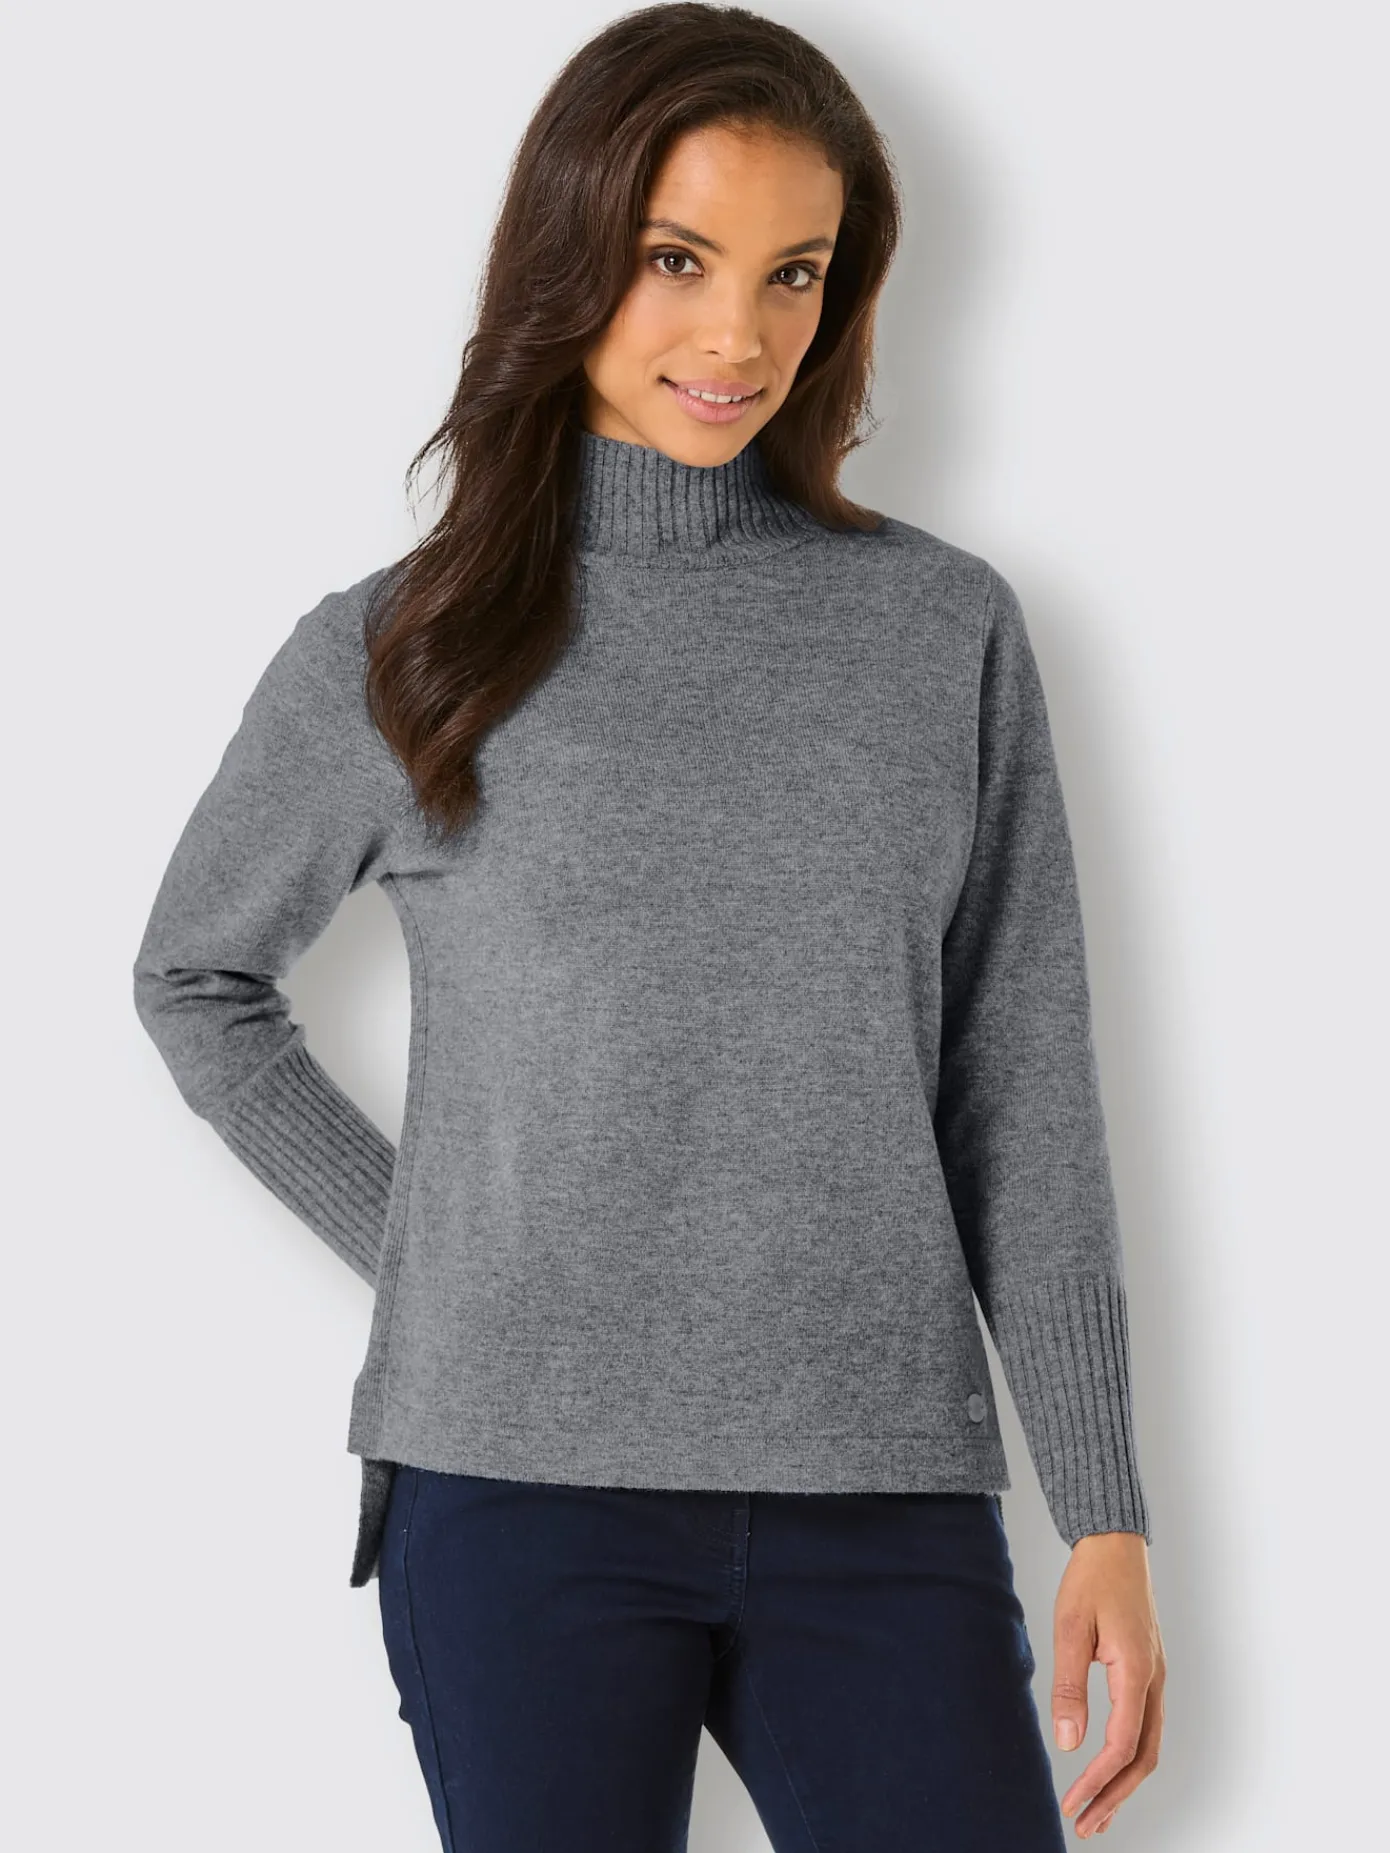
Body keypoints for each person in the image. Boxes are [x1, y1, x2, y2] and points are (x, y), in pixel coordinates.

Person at [131, 4, 1165, 1846]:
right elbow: (196, 980)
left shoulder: (938, 632)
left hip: (880, 1489)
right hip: (516, 1495)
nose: (737, 336)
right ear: (570, 250)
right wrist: (443, 1257)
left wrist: (1103, 1507)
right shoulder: (402, 647)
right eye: (677, 259)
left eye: (793, 274)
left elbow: (1018, 1083)